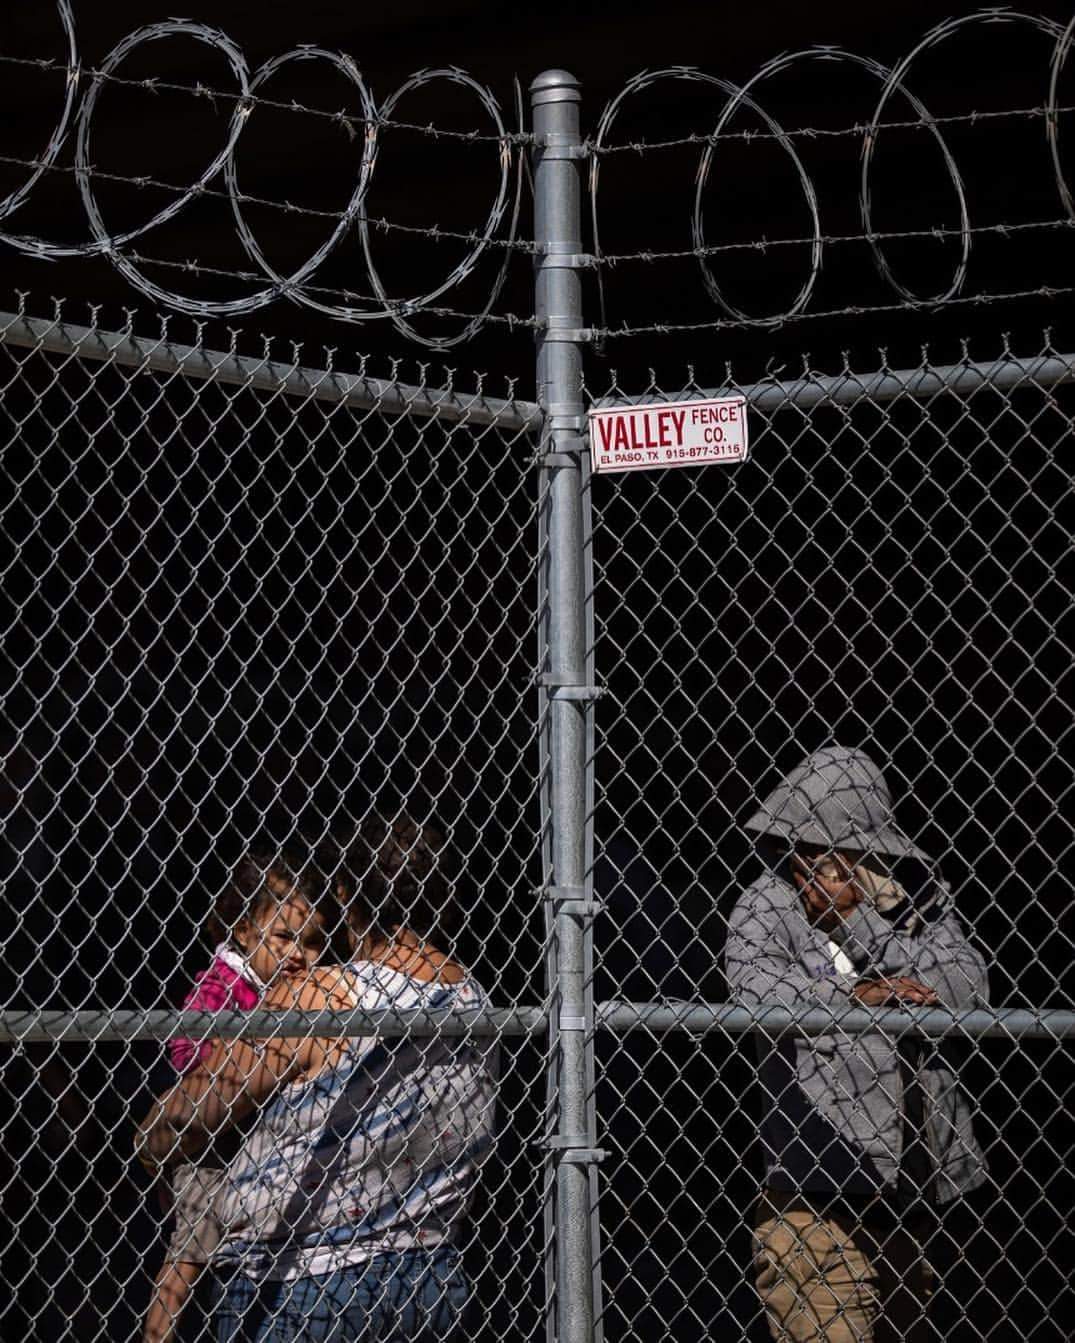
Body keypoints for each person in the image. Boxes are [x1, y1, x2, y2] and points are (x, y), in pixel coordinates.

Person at [136, 814, 496, 1343]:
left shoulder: (320, 996)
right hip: (432, 1281)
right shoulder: (477, 1004)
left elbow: (187, 1118)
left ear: (346, 896)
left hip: (299, 1289)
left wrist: (149, 1144)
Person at [724, 744, 989, 1343]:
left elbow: (968, 987)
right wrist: (854, 998)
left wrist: (861, 922)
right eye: (808, 849)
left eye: (834, 851)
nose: (818, 865)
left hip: (915, 1200)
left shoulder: (915, 901)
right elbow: (750, 981)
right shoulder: (770, 904)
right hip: (817, 1200)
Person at [143, 849, 332, 1343]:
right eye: (286, 938)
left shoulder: (303, 994)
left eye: (313, 943)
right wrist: (233, 1059)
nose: (300, 955)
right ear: (246, 935)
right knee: (190, 1253)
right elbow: (186, 1051)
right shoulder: (223, 984)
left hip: (258, 1141)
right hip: (212, 1147)